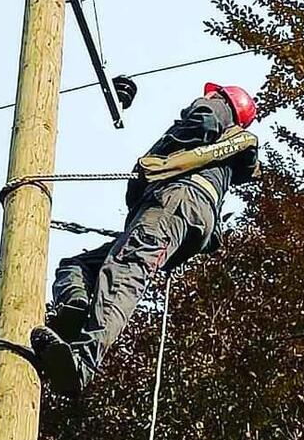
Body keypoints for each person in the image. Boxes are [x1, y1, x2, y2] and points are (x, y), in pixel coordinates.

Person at [30, 82, 262, 395]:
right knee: (80, 266)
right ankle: (75, 310)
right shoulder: (231, 157)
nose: (205, 97)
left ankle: (81, 363)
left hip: (174, 202)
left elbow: (201, 122)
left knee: (124, 272)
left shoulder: (215, 109)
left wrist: (157, 161)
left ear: (223, 99)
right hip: (183, 216)